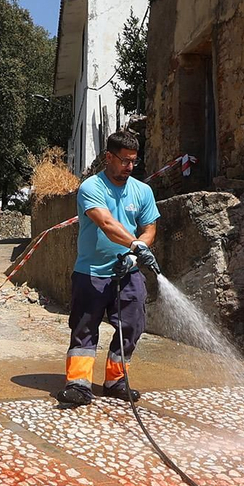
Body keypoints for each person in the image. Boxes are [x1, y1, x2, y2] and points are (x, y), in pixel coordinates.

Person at [62, 130, 161, 406]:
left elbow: (150, 227)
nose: (129, 167)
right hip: (91, 272)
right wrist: (136, 246)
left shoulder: (142, 191)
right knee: (85, 327)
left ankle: (116, 381)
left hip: (127, 273)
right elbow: (105, 223)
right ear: (109, 157)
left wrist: (138, 248)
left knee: (132, 325)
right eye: (124, 161)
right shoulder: (91, 188)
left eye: (133, 161)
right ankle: (79, 385)